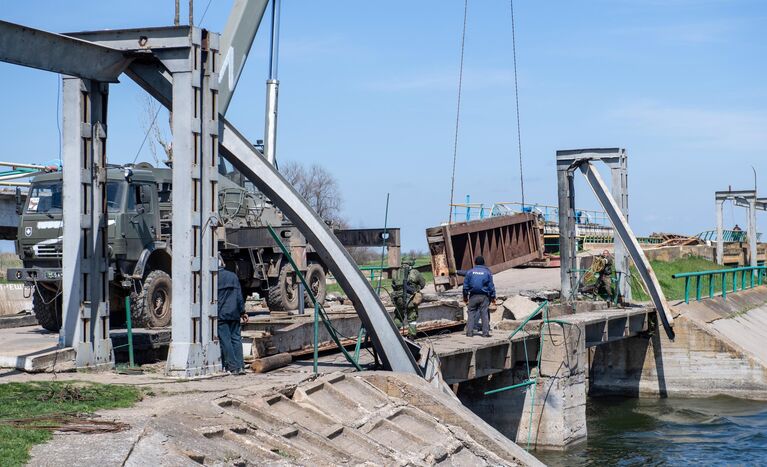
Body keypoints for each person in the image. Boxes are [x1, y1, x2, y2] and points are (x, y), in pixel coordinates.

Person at [217, 261, 247, 374]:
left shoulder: (213, 278)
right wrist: (243, 311)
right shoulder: (233, 276)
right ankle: (241, 366)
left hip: (221, 314)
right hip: (234, 313)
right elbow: (239, 296)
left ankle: (233, 367)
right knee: (236, 339)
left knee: (226, 341)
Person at [462, 256, 496, 337]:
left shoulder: (470, 272)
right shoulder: (487, 272)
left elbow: (465, 286)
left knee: (471, 313)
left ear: (475, 263)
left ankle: (469, 333)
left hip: (473, 296)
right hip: (484, 296)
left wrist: (465, 297)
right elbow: (491, 286)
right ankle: (485, 333)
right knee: (484, 314)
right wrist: (493, 297)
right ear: (483, 263)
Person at [392, 259, 426, 337]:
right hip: (410, 298)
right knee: (412, 318)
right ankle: (411, 336)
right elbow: (423, 284)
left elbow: (393, 286)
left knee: (398, 316)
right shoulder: (414, 272)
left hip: (398, 299)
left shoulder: (396, 273)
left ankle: (393, 334)